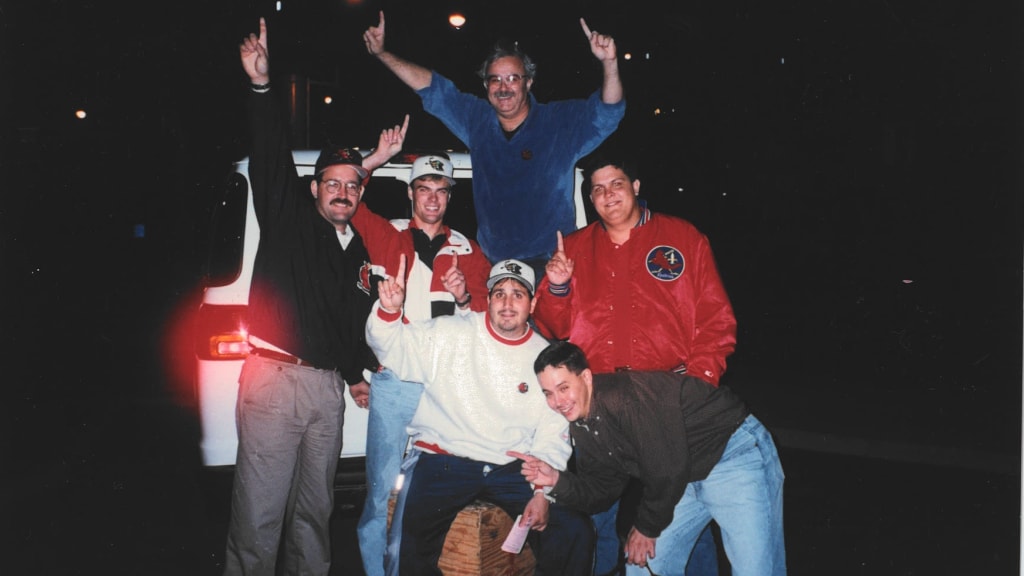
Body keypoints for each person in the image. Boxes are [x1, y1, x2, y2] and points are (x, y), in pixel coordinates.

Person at [224, 18, 397, 575]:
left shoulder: (359, 249)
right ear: (314, 188)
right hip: (274, 384)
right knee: (260, 517)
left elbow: (347, 319)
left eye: (352, 185)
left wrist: (354, 373)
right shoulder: (288, 221)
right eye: (332, 184)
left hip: (326, 392)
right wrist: (260, 87)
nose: (343, 192)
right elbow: (272, 155)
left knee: (314, 514)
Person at [533, 154, 737, 575]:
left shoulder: (682, 237)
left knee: (677, 505)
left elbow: (717, 320)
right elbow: (552, 327)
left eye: (617, 184)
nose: (608, 196)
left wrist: (698, 383)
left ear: (637, 186)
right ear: (590, 197)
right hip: (601, 404)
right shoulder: (572, 247)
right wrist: (557, 285)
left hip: (668, 399)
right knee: (599, 511)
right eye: (598, 189)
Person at [366, 257, 595, 576]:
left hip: (511, 465)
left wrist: (543, 492)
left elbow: (552, 432)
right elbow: (393, 349)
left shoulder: (543, 358)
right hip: (443, 457)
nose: (507, 302)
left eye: (518, 294)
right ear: (486, 299)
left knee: (574, 529)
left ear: (533, 302)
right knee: (409, 546)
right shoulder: (449, 331)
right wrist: (389, 313)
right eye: (499, 293)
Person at [363, 11, 626, 274]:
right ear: (486, 86)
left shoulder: (558, 123)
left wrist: (610, 63)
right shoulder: (477, 120)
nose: (503, 87)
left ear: (529, 82)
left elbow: (608, 112)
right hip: (494, 268)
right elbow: (433, 90)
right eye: (495, 79)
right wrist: (382, 53)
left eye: (513, 78)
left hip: (550, 266)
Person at [350, 122, 493, 576]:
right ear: (411, 194)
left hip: (447, 387)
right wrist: (372, 160)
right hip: (395, 382)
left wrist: (467, 297)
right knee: (379, 493)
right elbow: (349, 201)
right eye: (424, 188)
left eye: (441, 190)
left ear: (450, 197)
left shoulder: (469, 251)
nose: (432, 197)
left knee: (435, 491)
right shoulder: (388, 236)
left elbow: (491, 322)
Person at [513, 341, 786, 576]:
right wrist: (556, 480)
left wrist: (646, 527)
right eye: (548, 393)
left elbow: (667, 468)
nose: (557, 401)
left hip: (732, 454)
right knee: (642, 564)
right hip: (683, 474)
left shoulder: (624, 398)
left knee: (755, 569)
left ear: (586, 378)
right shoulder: (583, 425)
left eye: (563, 388)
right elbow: (602, 491)